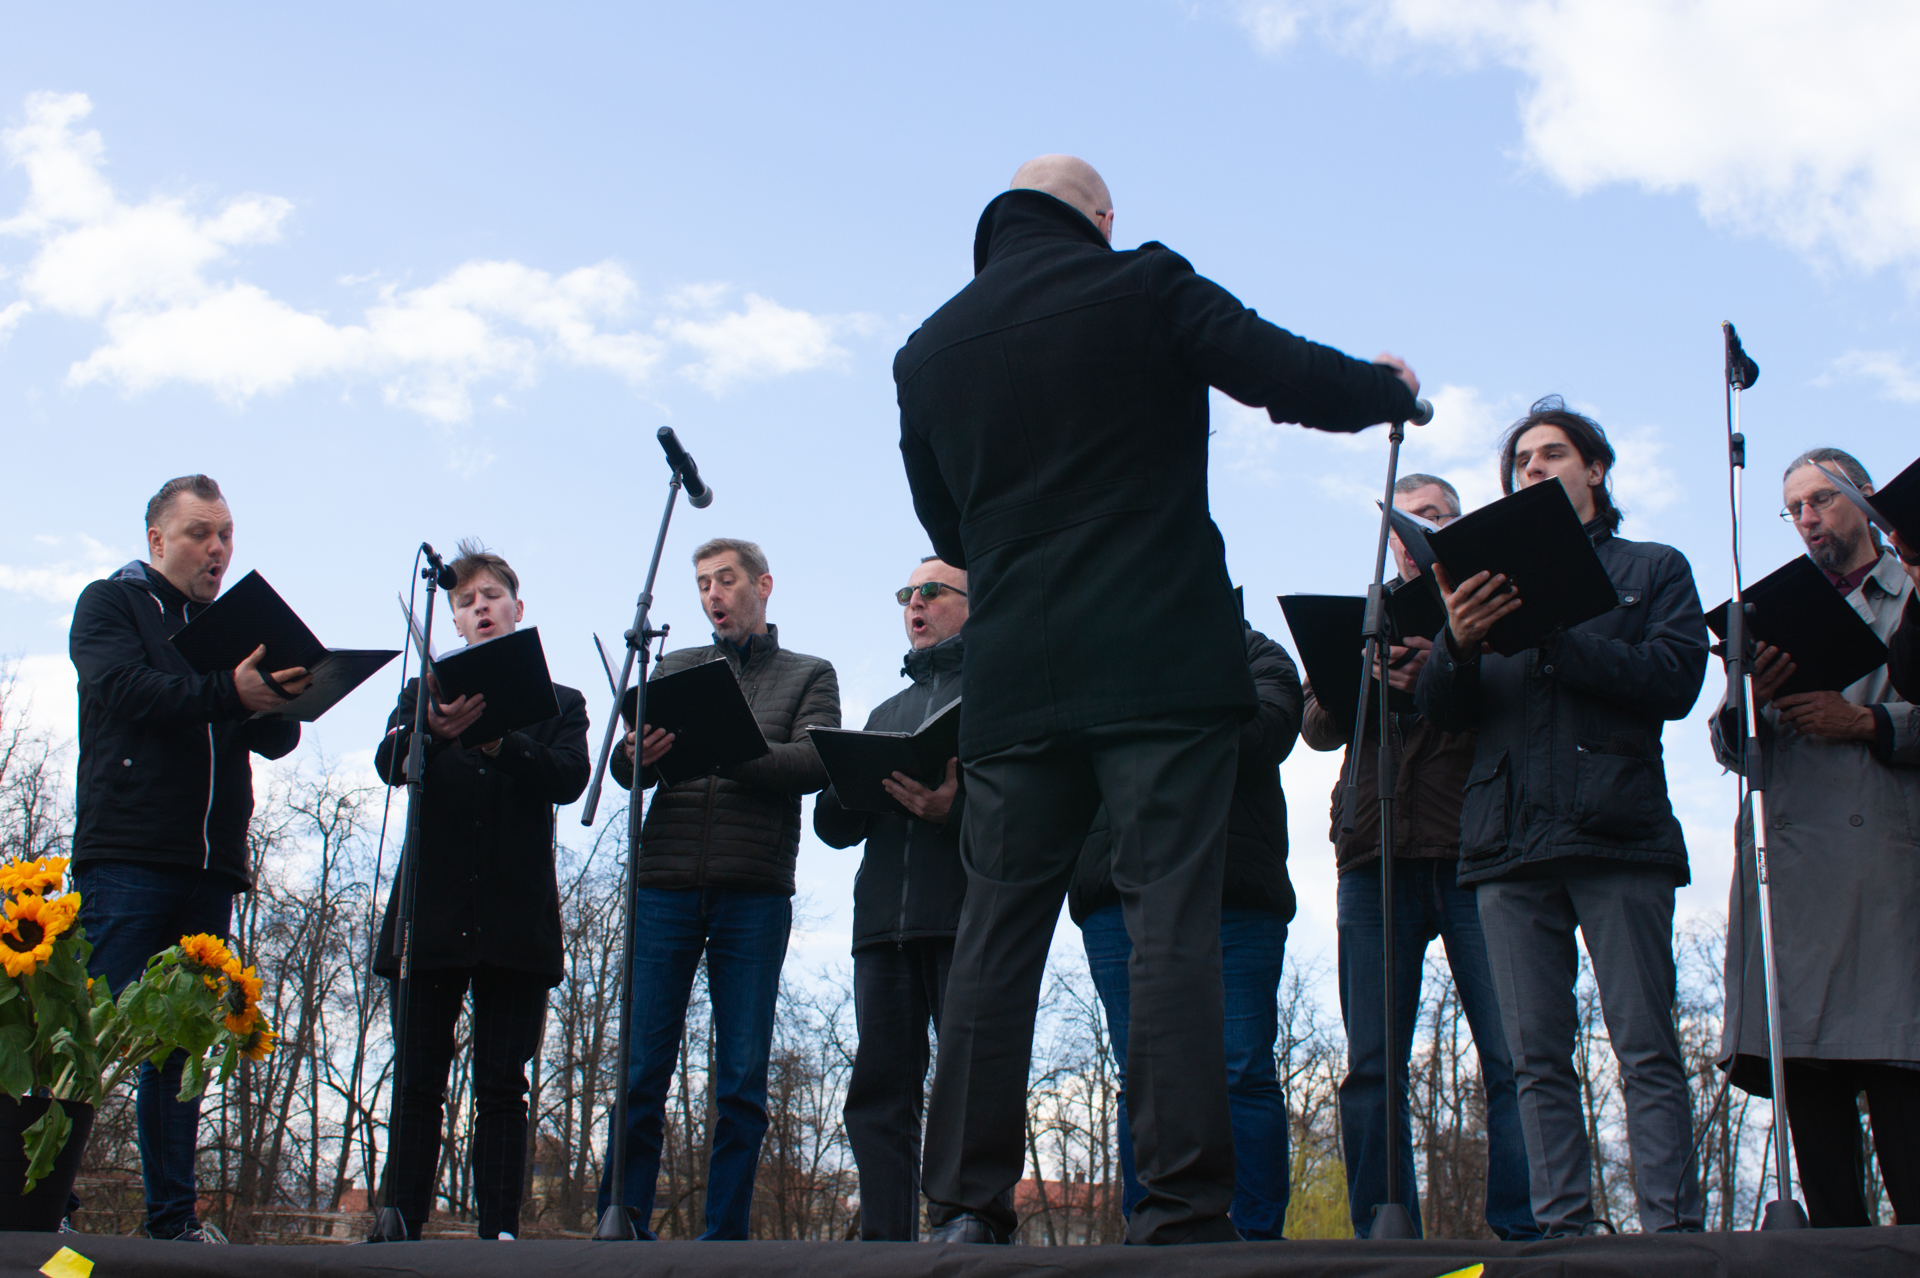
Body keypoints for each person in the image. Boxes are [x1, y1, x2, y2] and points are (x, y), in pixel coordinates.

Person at [895, 153, 1421, 1245]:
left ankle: (960, 1208)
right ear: (1100, 217)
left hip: (1017, 681)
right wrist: (1385, 388)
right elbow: (1281, 371)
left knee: (996, 933)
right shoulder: (1141, 283)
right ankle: (1181, 1208)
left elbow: (952, 536)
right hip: (1158, 661)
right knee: (1170, 922)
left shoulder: (927, 351)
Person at [1417, 397, 1708, 1236]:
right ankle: (1563, 1234)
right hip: (1506, 840)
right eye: (1521, 461)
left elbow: (1674, 682)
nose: (1533, 470)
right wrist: (1459, 643)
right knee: (1532, 1061)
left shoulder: (1652, 568)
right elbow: (1444, 712)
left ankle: (1673, 1234)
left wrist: (1549, 631)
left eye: (1551, 455)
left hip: (1618, 834)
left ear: (1596, 470)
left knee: (1647, 1049)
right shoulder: (1477, 587)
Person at [67, 474, 311, 1242]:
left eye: (227, 534)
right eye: (201, 533)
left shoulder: (234, 627)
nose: (217, 549)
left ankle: (172, 1219)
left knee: (180, 1049)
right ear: (156, 540)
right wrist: (226, 693)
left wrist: (286, 693)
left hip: (211, 867)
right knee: (90, 1034)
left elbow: (270, 735)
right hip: (129, 856)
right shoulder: (111, 605)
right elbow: (124, 689)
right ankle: (44, 1206)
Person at [1300, 473, 1537, 1241]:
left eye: (1438, 517)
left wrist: (1446, 659)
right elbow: (1314, 726)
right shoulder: (1365, 615)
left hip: (1475, 847)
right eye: (1411, 522)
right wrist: (1359, 678)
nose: (1420, 531)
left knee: (1509, 1057)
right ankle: (1381, 1228)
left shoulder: (1496, 605)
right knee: (1372, 1064)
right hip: (1373, 855)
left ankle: (1521, 1229)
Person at [598, 538, 840, 1239]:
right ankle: (622, 1220)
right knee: (641, 1067)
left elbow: (814, 759)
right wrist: (630, 756)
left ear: (763, 585)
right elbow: (625, 767)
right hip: (663, 882)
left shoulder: (809, 673)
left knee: (740, 1077)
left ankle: (724, 1238)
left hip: (754, 888)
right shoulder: (673, 666)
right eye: (703, 583)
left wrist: (727, 750)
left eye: (726, 579)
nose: (713, 593)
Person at [1710, 448, 1920, 1228]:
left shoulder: (1912, 595)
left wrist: (1866, 721)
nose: (1807, 519)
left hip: (1889, 879)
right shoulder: (1770, 612)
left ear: (1865, 503)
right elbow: (1731, 749)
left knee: (1906, 1124)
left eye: (1821, 501)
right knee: (1826, 1176)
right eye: (1793, 507)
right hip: (1793, 889)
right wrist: (1748, 691)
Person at [371, 541, 589, 1241]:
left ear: (517, 609)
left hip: (514, 921)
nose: (479, 607)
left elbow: (568, 777)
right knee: (417, 1082)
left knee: (502, 1084)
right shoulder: (422, 692)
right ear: (454, 622)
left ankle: (499, 1232)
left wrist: (501, 744)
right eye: (465, 602)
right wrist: (432, 735)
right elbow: (388, 763)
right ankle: (400, 1219)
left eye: (491, 596)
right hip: (429, 919)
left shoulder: (560, 700)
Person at [1070, 619, 1301, 1240]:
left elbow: (1270, 730)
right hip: (1116, 886)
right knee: (1137, 1074)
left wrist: (1160, 705)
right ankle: (1148, 1236)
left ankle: (1255, 1241)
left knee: (1243, 1069)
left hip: (1234, 887)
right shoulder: (1091, 650)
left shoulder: (1255, 652)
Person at [812, 556, 969, 1241]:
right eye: (907, 593)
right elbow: (833, 827)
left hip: (963, 920)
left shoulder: (999, 698)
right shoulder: (883, 712)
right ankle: (884, 1242)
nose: (915, 603)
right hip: (880, 927)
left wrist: (955, 812)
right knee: (877, 1095)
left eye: (931, 591)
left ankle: (966, 1224)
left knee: (967, 1088)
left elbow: (1031, 810)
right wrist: (844, 787)